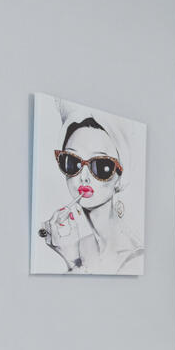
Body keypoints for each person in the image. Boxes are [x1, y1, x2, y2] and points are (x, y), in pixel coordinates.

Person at [39, 114, 144, 273]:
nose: (84, 177)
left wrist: (73, 262)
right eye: (72, 162)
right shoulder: (80, 245)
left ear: (120, 177)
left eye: (101, 166)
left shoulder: (134, 257)